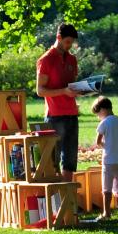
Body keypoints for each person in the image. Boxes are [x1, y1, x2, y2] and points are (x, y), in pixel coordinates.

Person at [36, 23, 82, 182]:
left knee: (70, 160)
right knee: (52, 161)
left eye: (72, 43)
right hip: (54, 116)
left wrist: (80, 90)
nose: (70, 46)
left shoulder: (72, 59)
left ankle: (67, 200)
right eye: (68, 42)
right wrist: (63, 92)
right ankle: (54, 202)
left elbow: (71, 85)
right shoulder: (46, 60)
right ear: (58, 38)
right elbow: (40, 91)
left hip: (72, 114)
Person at [93, 96, 118, 220]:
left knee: (106, 189)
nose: (98, 117)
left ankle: (107, 213)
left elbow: (98, 141)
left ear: (102, 110)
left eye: (97, 114)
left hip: (109, 160)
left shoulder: (104, 122)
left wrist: (106, 146)